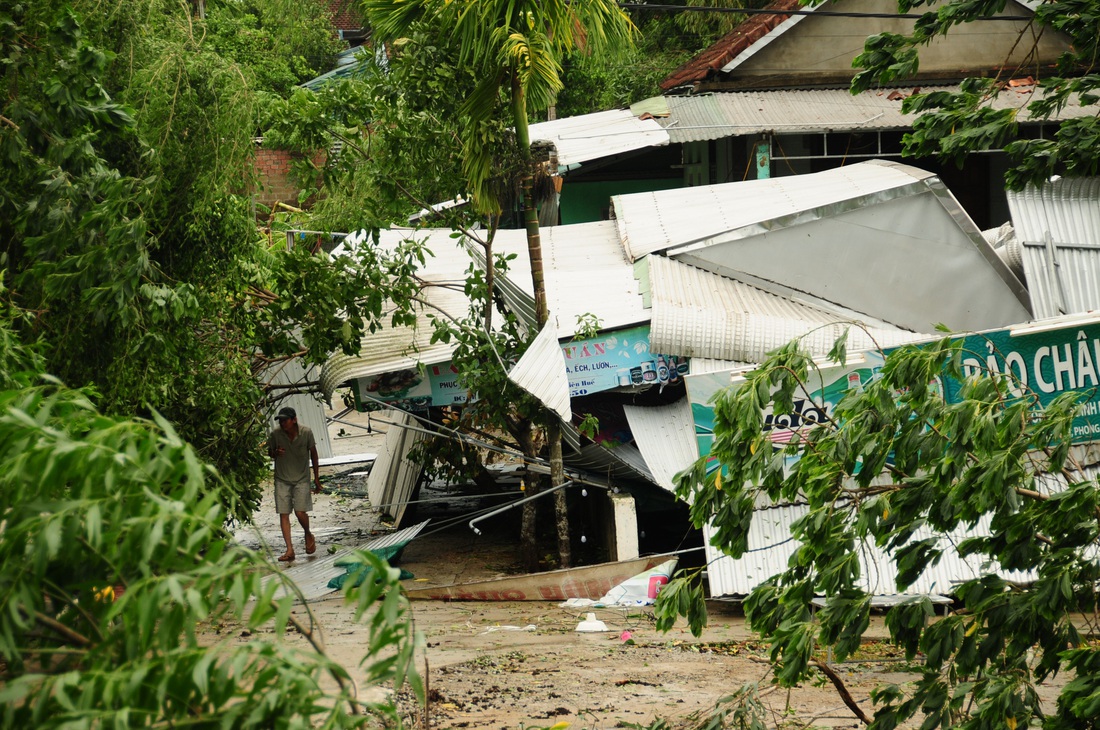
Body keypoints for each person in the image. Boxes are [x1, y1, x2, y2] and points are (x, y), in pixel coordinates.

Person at [266, 406, 323, 562]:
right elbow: (269, 452)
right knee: (284, 514)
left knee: (299, 512)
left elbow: (314, 454)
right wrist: (275, 453)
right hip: (282, 479)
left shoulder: (306, 433)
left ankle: (308, 533)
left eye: (286, 420)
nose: (283, 423)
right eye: (281, 421)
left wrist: (316, 478)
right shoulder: (276, 434)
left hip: (301, 479)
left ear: (294, 420)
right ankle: (289, 550)